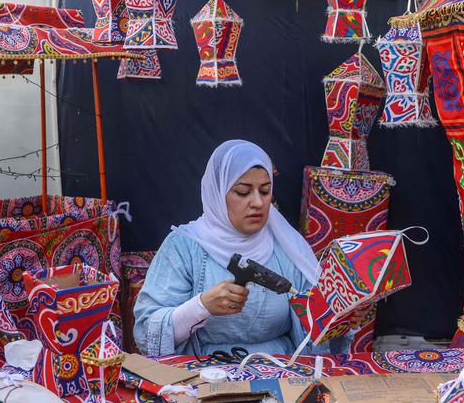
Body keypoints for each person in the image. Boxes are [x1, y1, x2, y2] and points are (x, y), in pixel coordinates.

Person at [134, 139, 324, 357]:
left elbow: (316, 321)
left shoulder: (288, 246)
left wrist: (342, 319)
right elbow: (146, 331)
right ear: (217, 192)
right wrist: (200, 306)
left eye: (264, 191)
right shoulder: (184, 247)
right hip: (205, 374)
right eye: (243, 192)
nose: (258, 202)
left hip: (281, 372)